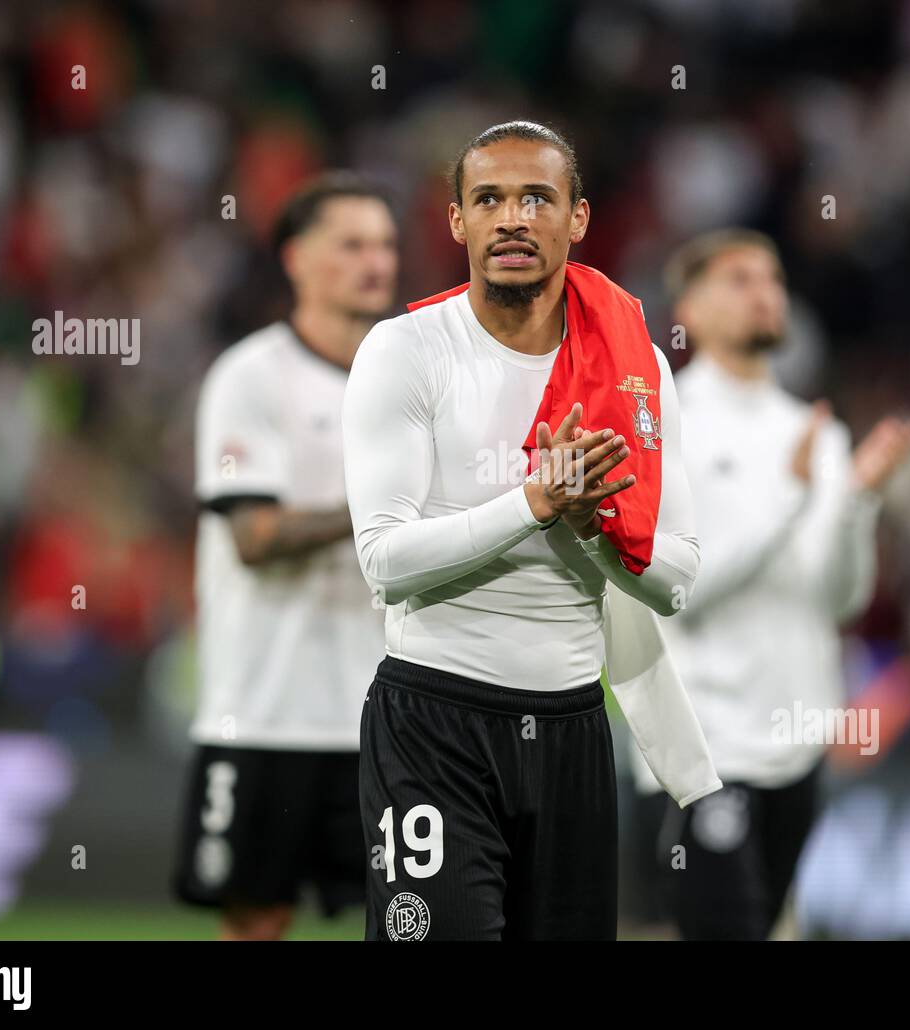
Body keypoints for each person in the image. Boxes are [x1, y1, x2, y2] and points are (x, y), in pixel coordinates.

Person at [341, 121, 702, 941]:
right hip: (434, 722)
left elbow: (675, 579)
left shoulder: (637, 368)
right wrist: (533, 504)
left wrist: (590, 528)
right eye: (489, 199)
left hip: (574, 731)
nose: (512, 218)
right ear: (456, 222)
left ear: (577, 219)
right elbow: (385, 562)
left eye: (537, 197)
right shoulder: (405, 352)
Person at [638, 229, 910, 940]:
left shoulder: (816, 432)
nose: (764, 291)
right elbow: (680, 590)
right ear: (690, 310)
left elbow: (841, 599)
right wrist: (787, 503)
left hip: (797, 741)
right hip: (705, 747)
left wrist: (856, 500)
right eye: (738, 278)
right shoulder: (668, 423)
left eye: (772, 277)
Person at [173, 173, 398, 940]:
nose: (377, 262)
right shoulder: (251, 376)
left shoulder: (408, 381)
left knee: (411, 916)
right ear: (298, 259)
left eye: (386, 245)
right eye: (353, 244)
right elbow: (255, 538)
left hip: (385, 715)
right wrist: (383, 517)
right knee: (258, 919)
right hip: (266, 709)